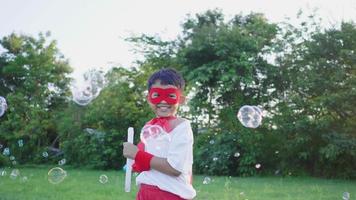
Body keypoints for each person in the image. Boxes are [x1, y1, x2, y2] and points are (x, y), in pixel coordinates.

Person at [123, 68, 196, 200]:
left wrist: (137, 154)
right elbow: (148, 161)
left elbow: (174, 168)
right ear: (148, 98)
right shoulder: (149, 127)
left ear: (182, 99)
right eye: (157, 95)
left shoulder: (182, 127)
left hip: (169, 195)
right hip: (145, 192)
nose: (163, 101)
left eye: (170, 95)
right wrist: (134, 160)